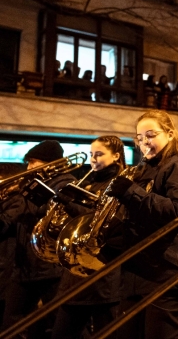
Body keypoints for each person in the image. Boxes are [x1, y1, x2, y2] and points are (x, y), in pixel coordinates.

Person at [107, 110, 178, 339]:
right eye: (139, 138)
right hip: (141, 274)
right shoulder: (144, 169)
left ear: (170, 134)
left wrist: (130, 192)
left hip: (170, 274)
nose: (144, 142)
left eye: (150, 135)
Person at [51, 136, 126, 339]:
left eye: (99, 154)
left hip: (102, 274)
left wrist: (69, 205)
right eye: (92, 154)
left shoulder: (119, 184)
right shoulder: (87, 182)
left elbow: (100, 223)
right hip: (75, 276)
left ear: (116, 156)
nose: (93, 159)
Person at [0, 141, 76, 339]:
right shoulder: (30, 183)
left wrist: (26, 193)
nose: (29, 167)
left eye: (33, 162)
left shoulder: (65, 183)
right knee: (11, 323)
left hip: (49, 266)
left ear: (49, 163)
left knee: (58, 322)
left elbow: (49, 211)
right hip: (24, 264)